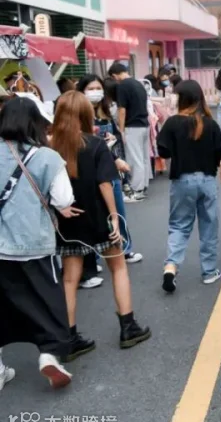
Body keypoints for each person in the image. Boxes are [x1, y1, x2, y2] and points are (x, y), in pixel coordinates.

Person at [52, 91, 151, 361]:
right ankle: (128, 327)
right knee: (118, 267)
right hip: (99, 218)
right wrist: (115, 217)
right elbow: (105, 184)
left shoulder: (51, 148)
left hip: (68, 221)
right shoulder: (96, 144)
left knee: (70, 279)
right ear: (86, 114)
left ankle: (70, 338)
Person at [0, 97, 81, 390]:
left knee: (4, 305)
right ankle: (49, 354)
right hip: (35, 244)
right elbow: (63, 199)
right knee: (48, 301)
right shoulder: (47, 157)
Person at [157, 80, 221, 292]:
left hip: (182, 180)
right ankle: (209, 272)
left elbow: (163, 152)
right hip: (207, 180)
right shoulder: (211, 124)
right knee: (209, 225)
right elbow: (220, 155)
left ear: (182, 99)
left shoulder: (172, 123)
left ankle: (171, 266)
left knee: (179, 225)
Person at [77, 75, 142, 265]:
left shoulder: (104, 112)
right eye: (91, 89)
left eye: (98, 88)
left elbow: (115, 136)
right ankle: (94, 256)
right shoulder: (79, 115)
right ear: (82, 91)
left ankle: (125, 248)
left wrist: (114, 146)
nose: (95, 92)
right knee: (95, 213)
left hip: (109, 166)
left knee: (118, 210)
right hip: (89, 169)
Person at [108, 63, 151, 200]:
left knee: (135, 159)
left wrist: (121, 130)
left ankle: (137, 191)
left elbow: (122, 110)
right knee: (144, 158)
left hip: (132, 126)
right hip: (144, 124)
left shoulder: (122, 86)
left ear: (114, 76)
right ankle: (143, 186)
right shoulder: (139, 84)